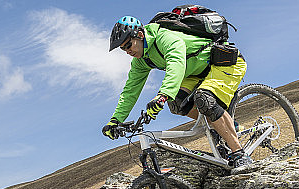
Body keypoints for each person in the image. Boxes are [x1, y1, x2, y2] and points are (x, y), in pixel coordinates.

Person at [102, 15, 253, 169]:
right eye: (122, 48)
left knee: (205, 99)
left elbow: (176, 63)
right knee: (177, 103)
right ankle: (225, 126)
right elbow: (130, 90)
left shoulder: (165, 37)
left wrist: (162, 94)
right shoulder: (140, 61)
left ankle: (239, 153)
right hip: (194, 73)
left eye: (128, 45)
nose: (127, 51)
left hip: (223, 64)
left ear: (140, 35)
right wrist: (115, 120)